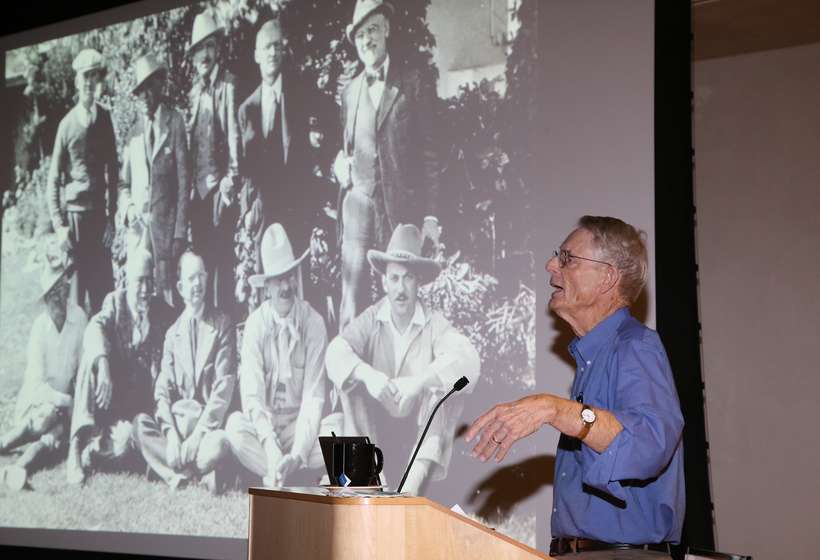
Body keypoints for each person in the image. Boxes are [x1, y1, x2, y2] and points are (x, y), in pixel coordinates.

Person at [465, 216, 685, 558]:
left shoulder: (635, 346)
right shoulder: (592, 359)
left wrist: (555, 409)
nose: (551, 265)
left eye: (567, 258)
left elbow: (650, 442)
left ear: (608, 277)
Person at [325, 224, 480, 494]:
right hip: (376, 432)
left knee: (442, 393)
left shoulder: (433, 322)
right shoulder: (372, 319)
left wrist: (420, 382)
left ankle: (410, 491)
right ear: (384, 282)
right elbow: (335, 352)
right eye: (394, 279)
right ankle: (368, 484)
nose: (401, 289)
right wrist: (368, 375)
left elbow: (468, 361)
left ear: (418, 282)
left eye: (408, 278)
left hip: (417, 437)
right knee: (348, 382)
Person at [336, 0, 441, 329]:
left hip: (399, 211)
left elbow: (430, 152)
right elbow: (346, 149)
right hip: (358, 211)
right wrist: (339, 166)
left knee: (399, 301)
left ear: (387, 30)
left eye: (372, 30)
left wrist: (431, 216)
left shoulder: (412, 82)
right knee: (351, 303)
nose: (366, 40)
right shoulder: (350, 93)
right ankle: (348, 380)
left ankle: (396, 377)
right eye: (360, 35)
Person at [226, 223, 338, 486]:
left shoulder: (314, 323)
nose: (286, 287)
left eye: (289, 276)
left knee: (339, 429)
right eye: (278, 280)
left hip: (300, 430)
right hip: (267, 431)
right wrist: (270, 446)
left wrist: (298, 452)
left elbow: (314, 398)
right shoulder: (255, 325)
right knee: (234, 427)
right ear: (267, 287)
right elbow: (252, 397)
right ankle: (284, 469)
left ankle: (281, 471)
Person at [67, 249, 173, 484]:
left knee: (125, 445)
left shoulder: (163, 313)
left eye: (149, 281)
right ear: (126, 280)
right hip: (110, 398)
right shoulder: (115, 303)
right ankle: (75, 446)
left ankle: (95, 449)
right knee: (91, 358)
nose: (145, 290)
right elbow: (94, 327)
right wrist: (103, 364)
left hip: (137, 412)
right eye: (139, 281)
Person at [133, 252, 235, 492]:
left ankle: (174, 470)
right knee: (140, 425)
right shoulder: (172, 334)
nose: (197, 284)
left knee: (221, 443)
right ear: (180, 287)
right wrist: (170, 436)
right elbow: (162, 389)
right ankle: (192, 471)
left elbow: (224, 388)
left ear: (207, 279)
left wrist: (198, 434)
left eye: (201, 276)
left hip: (206, 429)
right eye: (191, 278)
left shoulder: (222, 325)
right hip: (179, 428)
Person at [0, 254, 87, 491]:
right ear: (46, 298)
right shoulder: (39, 328)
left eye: (62, 288)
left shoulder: (79, 318)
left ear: (68, 288)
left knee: (56, 436)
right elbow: (36, 384)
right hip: (38, 404)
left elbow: (82, 368)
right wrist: (65, 401)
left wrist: (75, 403)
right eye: (52, 292)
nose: (58, 297)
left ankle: (19, 468)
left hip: (65, 407)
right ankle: (4, 442)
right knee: (47, 418)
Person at [46, 48, 118, 314]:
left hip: (99, 219)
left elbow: (114, 170)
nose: (89, 83)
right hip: (75, 223)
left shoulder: (106, 119)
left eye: (94, 76)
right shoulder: (66, 126)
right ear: (77, 81)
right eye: (84, 77)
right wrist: (59, 225)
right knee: (76, 303)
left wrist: (111, 217)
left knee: (105, 297)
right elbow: (53, 179)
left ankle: (107, 355)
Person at [120, 54, 189, 307]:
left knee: (167, 298)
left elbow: (184, 183)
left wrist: (180, 231)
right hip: (139, 234)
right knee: (139, 298)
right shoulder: (133, 134)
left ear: (160, 86)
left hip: (166, 232)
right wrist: (127, 208)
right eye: (140, 91)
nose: (145, 96)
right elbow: (122, 184)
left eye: (149, 88)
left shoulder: (175, 122)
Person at [187, 12, 241, 313]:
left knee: (223, 272)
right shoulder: (194, 93)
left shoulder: (228, 85)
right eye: (199, 49)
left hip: (220, 193)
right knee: (203, 268)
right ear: (193, 57)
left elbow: (235, 140)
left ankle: (226, 343)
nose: (204, 54)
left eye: (209, 46)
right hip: (199, 199)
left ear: (217, 49)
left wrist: (229, 183)